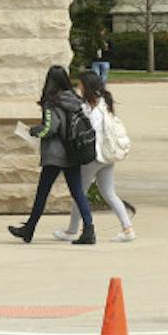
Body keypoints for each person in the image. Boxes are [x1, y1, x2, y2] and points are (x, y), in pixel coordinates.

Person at [8, 65, 96, 244]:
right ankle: (89, 229)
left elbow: (51, 128)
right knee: (78, 192)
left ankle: (29, 229)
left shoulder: (52, 102)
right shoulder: (74, 99)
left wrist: (34, 132)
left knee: (42, 193)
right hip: (73, 152)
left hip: (55, 156)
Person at [56, 70, 135, 243]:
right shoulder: (105, 102)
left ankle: (72, 230)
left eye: (80, 84)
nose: (78, 87)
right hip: (108, 156)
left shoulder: (88, 108)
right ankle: (127, 228)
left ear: (86, 86)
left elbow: (87, 129)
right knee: (108, 192)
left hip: (93, 157)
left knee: (79, 193)